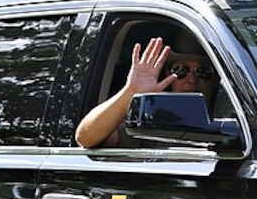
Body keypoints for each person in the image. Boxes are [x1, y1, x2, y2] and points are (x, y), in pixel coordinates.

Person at [75, 35, 220, 148]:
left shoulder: (238, 120)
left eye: (203, 71)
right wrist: (130, 92)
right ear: (167, 74)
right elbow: (86, 137)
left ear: (216, 80)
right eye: (181, 71)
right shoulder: (152, 116)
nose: (192, 80)